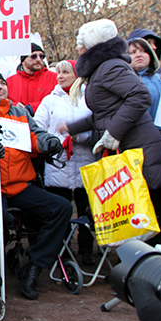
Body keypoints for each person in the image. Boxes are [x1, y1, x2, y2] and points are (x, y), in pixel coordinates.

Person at [0, 69, 71, 300]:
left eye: (2, 83)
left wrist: (49, 143)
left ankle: (35, 266)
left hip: (20, 184)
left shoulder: (20, 112)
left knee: (62, 208)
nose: (0, 87)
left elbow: (36, 136)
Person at [64, 19, 161, 244]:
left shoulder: (109, 67)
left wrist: (112, 134)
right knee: (140, 218)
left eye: (80, 43)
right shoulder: (102, 69)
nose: (77, 48)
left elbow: (140, 96)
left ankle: (157, 269)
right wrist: (70, 127)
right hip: (131, 148)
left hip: (140, 150)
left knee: (151, 216)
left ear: (92, 46)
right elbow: (106, 112)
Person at [34, 60, 97, 266]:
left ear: (76, 74)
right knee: (61, 210)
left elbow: (99, 125)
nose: (60, 76)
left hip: (86, 163)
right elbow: (37, 127)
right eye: (58, 72)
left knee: (87, 210)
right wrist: (53, 142)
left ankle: (86, 251)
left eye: (65, 72)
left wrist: (80, 137)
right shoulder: (49, 100)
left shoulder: (90, 97)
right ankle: (62, 250)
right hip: (58, 164)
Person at [128, 37, 161, 192]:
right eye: (133, 52)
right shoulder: (125, 82)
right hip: (139, 149)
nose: (138, 54)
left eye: (143, 51)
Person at [6, 43, 58, 114]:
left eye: (41, 56)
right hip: (18, 121)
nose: (38, 59)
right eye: (34, 56)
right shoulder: (9, 82)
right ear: (23, 61)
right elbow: (2, 103)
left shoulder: (55, 78)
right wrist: (16, 106)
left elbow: (59, 101)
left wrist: (31, 108)